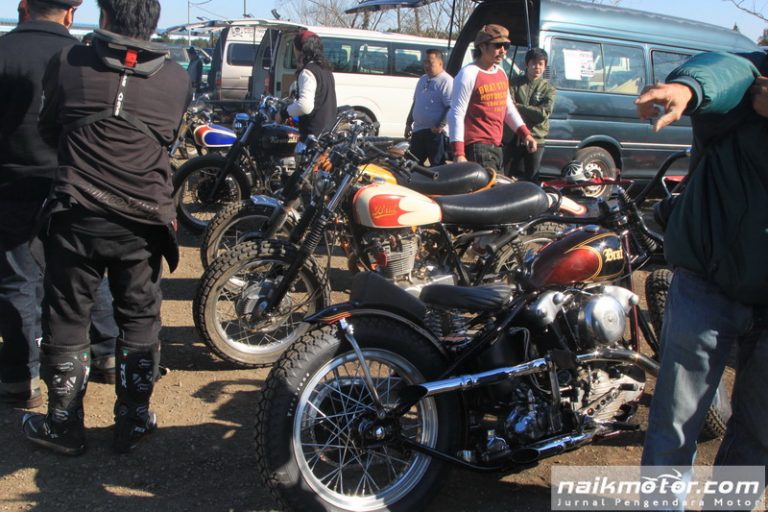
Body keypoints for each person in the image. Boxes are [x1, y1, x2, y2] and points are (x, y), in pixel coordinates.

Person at [22, 0, 191, 456]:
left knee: (67, 316)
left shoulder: (69, 61)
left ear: (104, 17)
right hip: (144, 219)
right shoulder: (177, 78)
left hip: (76, 212)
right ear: (153, 21)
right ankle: (133, 422)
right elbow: (169, 137)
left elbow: (49, 127)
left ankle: (63, 426)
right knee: (139, 316)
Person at [637, 51, 768, 493]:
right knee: (675, 423)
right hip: (707, 283)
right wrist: (686, 90)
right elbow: (724, 73)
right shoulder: (753, 78)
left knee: (759, 434)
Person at [0, 0, 119, 410]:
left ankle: (22, 376)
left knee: (18, 279)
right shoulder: (86, 59)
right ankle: (107, 354)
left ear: (24, 7)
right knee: (88, 269)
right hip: (76, 182)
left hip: (13, 181)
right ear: (70, 14)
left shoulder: (4, 52)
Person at [448, 24, 536, 172]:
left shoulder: (501, 73)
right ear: (482, 47)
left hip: (497, 146)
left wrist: (525, 134)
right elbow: (456, 113)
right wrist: (459, 153)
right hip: (478, 146)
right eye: (498, 45)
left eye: (506, 46)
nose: (503, 51)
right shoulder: (468, 74)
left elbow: (508, 108)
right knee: (489, 187)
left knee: (499, 186)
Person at [504, 47, 555, 181]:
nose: (537, 67)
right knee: (506, 177)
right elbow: (508, 108)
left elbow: (542, 114)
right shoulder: (514, 83)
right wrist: (524, 109)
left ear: (545, 66)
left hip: (536, 137)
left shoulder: (548, 89)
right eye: (534, 63)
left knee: (532, 178)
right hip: (513, 137)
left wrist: (519, 106)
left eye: (541, 64)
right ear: (527, 64)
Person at [277, 30, 337, 142]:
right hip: (327, 133)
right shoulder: (325, 69)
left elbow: (305, 105)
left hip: (312, 137)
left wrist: (282, 113)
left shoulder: (307, 72)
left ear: (300, 49)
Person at [405, 49, 453, 166]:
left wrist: (439, 126)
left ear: (440, 63)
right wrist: (408, 123)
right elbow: (416, 102)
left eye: (430, 63)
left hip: (435, 133)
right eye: (425, 62)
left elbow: (451, 106)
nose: (426, 66)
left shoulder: (447, 81)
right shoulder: (423, 79)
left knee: (437, 166)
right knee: (412, 165)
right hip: (418, 130)